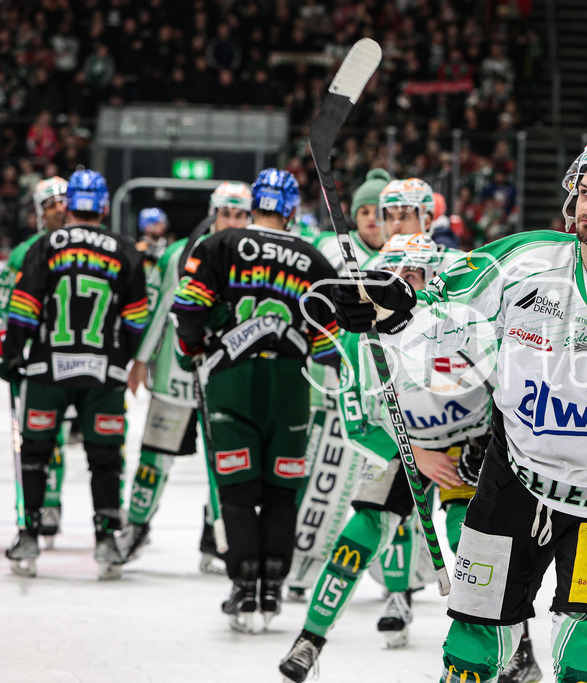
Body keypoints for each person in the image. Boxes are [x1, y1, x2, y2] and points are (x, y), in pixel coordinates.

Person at [330, 137, 587, 682]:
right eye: (584, 192)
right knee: (472, 648)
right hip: (513, 482)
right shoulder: (524, 259)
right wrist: (392, 310)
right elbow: (439, 312)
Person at [278, 232, 494, 683]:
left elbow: (503, 390)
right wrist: (416, 454)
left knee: (469, 537)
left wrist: (484, 443)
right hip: (405, 444)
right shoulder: (361, 339)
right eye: (390, 274)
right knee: (361, 532)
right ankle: (311, 638)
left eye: (412, 274)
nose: (400, 282)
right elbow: (357, 424)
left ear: (431, 278)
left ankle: (509, 640)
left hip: (468, 443)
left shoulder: (461, 321)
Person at [170, 168, 342, 633]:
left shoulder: (218, 246)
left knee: (238, 488)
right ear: (290, 209)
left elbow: (188, 309)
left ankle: (244, 585)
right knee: (282, 492)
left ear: (254, 204)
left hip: (232, 379)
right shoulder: (312, 257)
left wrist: (192, 352)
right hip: (289, 384)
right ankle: (273, 586)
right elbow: (330, 338)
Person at [1, 169, 149, 580]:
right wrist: (132, 358)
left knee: (35, 452)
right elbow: (137, 317)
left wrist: (12, 354)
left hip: (48, 367)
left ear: (69, 206)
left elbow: (25, 307)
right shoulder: (124, 250)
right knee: (105, 458)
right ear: (103, 206)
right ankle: (106, 539)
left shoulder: (45, 245)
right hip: (104, 371)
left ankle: (29, 534)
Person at [121, 182, 253, 572]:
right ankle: (137, 525)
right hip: (176, 373)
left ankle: (216, 536)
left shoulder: (256, 256)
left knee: (225, 461)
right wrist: (141, 360)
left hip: (227, 376)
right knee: (154, 457)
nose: (231, 220)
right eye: (225, 212)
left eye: (239, 214)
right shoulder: (181, 253)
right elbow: (160, 310)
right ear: (213, 212)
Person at [287, 167, 393, 601]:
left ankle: (395, 580)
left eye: (380, 211)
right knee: (323, 481)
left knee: (379, 496)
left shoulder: (405, 260)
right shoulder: (332, 248)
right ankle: (300, 566)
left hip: (387, 402)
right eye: (364, 210)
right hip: (335, 392)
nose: (371, 219)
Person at [0, 177, 70, 547]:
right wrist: (6, 352)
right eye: (50, 204)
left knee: (100, 444)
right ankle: (35, 510)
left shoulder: (93, 245)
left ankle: (60, 506)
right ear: (39, 212)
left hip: (84, 359)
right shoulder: (23, 252)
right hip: (38, 358)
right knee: (38, 438)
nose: (59, 208)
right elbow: (4, 304)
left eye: (64, 201)